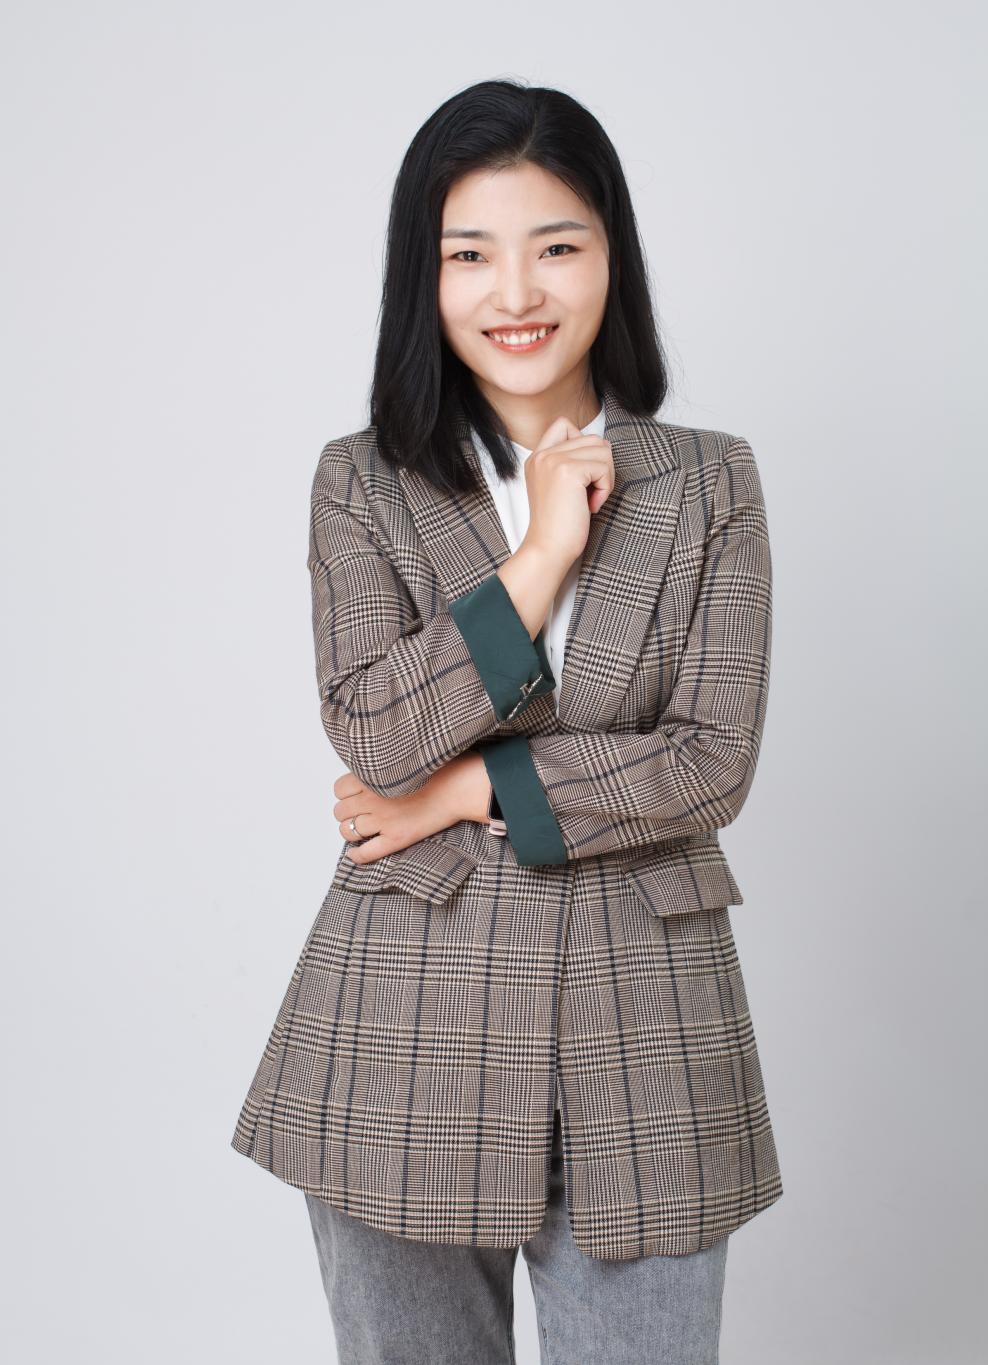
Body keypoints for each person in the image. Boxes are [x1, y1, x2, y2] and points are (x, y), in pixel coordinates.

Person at [230, 77, 783, 1364]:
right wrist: (537, 561)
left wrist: (467, 791)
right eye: (469, 254)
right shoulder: (361, 483)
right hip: (404, 1019)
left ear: (611, 259)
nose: (515, 292)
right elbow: (375, 731)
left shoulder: (711, 482)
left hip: (647, 1022)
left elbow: (708, 764)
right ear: (421, 279)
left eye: (557, 247)